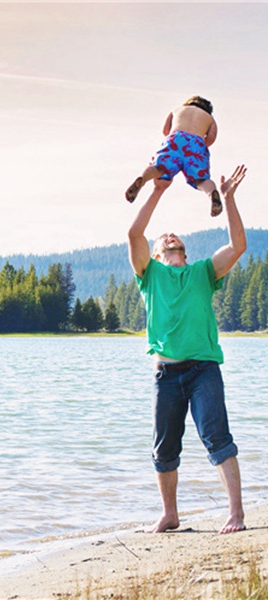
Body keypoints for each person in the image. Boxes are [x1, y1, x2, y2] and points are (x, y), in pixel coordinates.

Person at [127, 164, 248, 535]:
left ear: (182, 250)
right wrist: (157, 191)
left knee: (217, 437)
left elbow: (237, 246)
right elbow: (134, 233)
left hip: (203, 371)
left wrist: (227, 200)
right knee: (163, 449)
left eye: (174, 236)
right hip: (166, 374)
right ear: (160, 254)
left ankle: (236, 515)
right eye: (164, 238)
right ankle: (170, 515)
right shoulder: (150, 276)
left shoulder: (202, 273)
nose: (169, 236)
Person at [126, 96, 222, 217]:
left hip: (175, 138)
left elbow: (165, 131)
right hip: (196, 143)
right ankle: (212, 194)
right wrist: (200, 145)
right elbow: (211, 138)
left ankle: (143, 178)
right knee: (201, 180)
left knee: (158, 168)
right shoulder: (209, 118)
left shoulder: (177, 110)